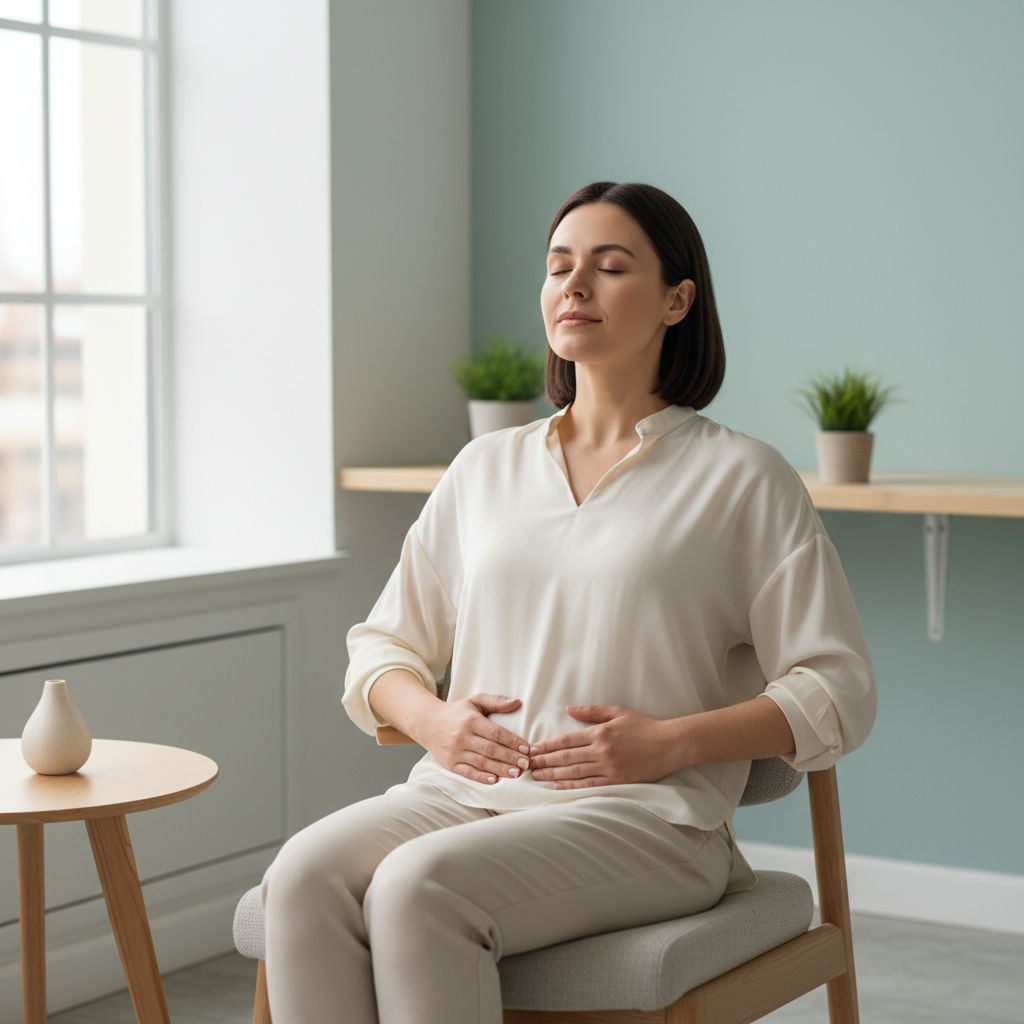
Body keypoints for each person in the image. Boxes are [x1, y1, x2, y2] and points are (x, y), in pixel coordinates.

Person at [259, 180, 878, 1023]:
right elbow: (381, 647)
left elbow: (837, 688)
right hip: (459, 795)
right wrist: (435, 721)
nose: (574, 286)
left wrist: (670, 743)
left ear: (677, 301)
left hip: (652, 821)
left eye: (610, 267)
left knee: (416, 887)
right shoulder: (484, 468)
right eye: (558, 267)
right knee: (301, 876)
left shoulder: (742, 478)